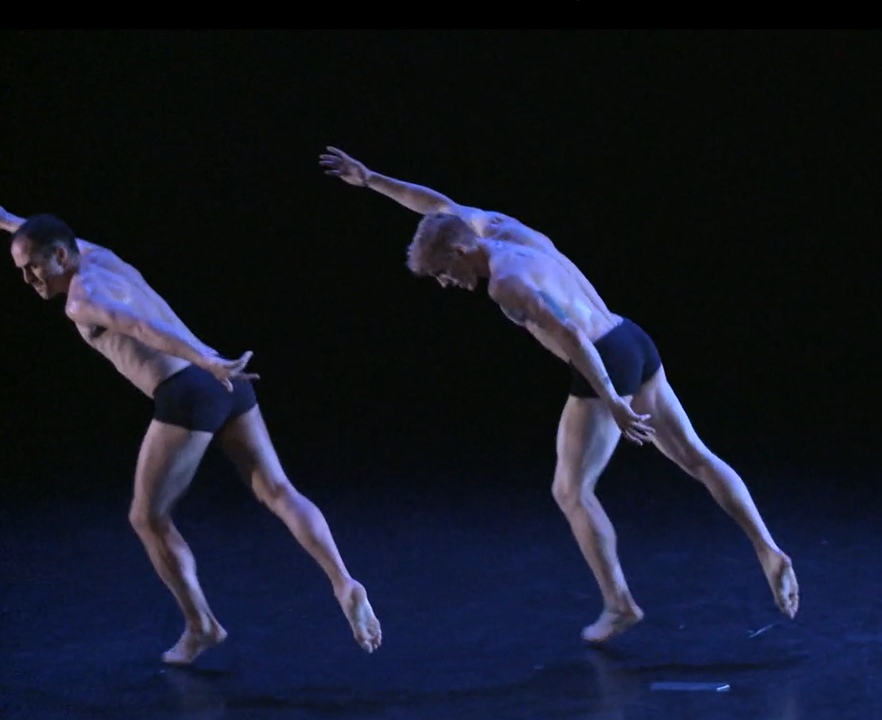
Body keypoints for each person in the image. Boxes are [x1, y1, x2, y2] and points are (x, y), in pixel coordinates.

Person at [319, 147, 799, 643]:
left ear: (459, 253)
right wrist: (372, 179)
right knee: (696, 457)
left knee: (570, 490)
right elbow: (434, 204)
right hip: (631, 336)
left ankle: (619, 604)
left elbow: (570, 334)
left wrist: (612, 399)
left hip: (603, 361)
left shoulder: (506, 284)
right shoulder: (494, 227)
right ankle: (767, 547)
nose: (445, 284)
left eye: (442, 273)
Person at [1, 205, 382, 663]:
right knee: (279, 490)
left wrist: (200, 357)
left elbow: (141, 326)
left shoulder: (81, 299)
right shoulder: (97, 254)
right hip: (225, 381)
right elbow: (28, 229)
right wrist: (5, 219)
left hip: (187, 389)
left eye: (32, 268)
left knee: (147, 518)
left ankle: (202, 626)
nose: (29, 280)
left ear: (60, 255)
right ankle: (343, 581)